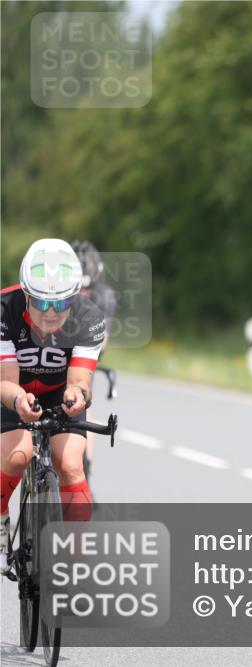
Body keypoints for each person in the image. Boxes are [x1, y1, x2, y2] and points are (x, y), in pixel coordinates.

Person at [0, 239, 106, 574]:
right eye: (42, 301)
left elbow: (81, 381)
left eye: (60, 302)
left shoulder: (89, 316)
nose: (50, 311)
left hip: (58, 392)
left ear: (74, 297)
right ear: (27, 296)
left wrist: (78, 397)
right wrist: (18, 401)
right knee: (17, 457)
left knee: (71, 463)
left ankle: (74, 561)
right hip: (12, 390)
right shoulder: (4, 308)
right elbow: (6, 381)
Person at [70, 240, 117, 480]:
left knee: (82, 405)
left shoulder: (105, 295)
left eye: (86, 291)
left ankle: (85, 468)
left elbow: (103, 339)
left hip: (85, 350)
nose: (82, 296)